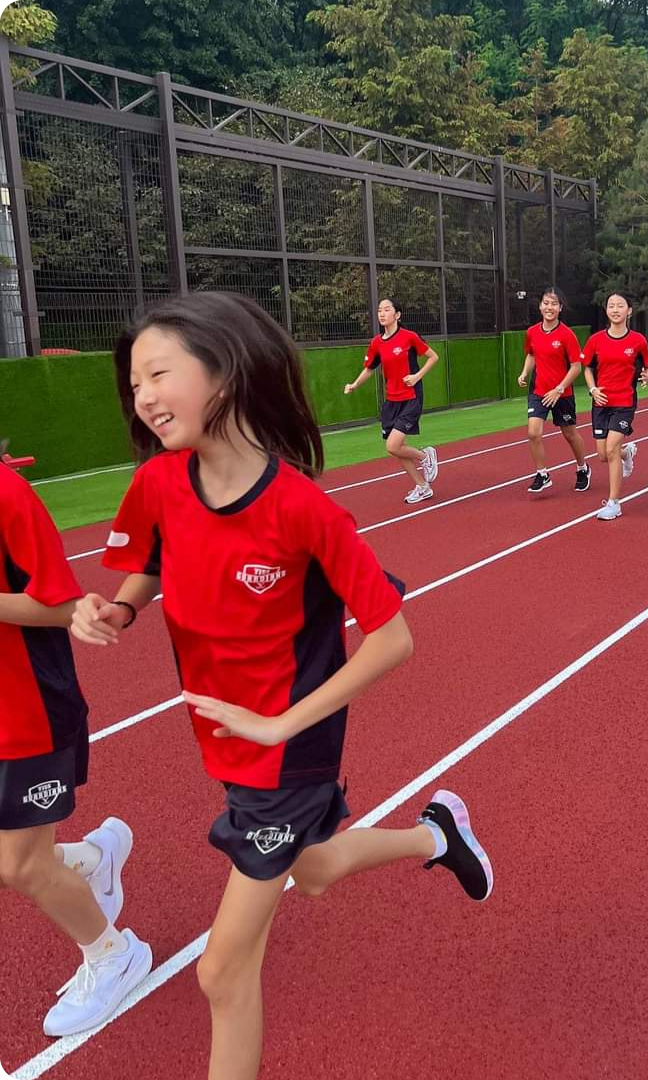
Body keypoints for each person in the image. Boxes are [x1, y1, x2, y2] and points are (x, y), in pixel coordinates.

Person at [73, 293, 493, 1080]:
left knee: (221, 973)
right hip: (227, 741)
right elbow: (153, 560)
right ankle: (438, 835)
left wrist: (281, 724)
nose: (144, 397)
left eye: (159, 374)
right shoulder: (159, 483)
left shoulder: (303, 511)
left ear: (225, 374)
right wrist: (120, 609)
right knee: (317, 870)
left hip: (287, 753)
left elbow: (393, 637)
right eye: (134, 384)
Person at [0, 458, 150, 1039]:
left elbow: (63, 605)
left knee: (20, 865)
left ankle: (114, 955)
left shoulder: (8, 495)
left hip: (27, 709)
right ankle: (93, 859)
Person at [344, 298, 440, 504]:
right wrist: (354, 385)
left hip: (411, 397)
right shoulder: (376, 343)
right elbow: (369, 368)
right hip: (391, 401)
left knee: (392, 445)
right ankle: (422, 487)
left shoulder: (409, 337)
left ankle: (425, 456)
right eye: (380, 310)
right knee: (397, 448)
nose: (382, 313)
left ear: (397, 315)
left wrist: (417, 376)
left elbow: (433, 357)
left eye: (387, 310)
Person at [581, 293, 648, 521]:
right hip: (601, 402)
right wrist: (593, 389)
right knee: (603, 454)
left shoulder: (638, 340)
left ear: (629, 310)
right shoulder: (596, 340)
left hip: (624, 402)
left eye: (620, 306)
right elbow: (587, 368)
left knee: (611, 448)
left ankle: (614, 503)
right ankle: (627, 453)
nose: (615, 309)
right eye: (611, 306)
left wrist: (647, 375)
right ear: (606, 310)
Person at [517, 285, 591, 492]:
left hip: (562, 393)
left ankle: (583, 468)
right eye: (546, 303)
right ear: (540, 306)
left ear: (560, 308)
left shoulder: (567, 335)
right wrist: (524, 373)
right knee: (533, 433)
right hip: (539, 391)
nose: (549, 307)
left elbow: (576, 367)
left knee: (570, 434)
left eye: (554, 304)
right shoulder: (532, 332)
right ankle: (542, 474)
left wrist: (559, 389)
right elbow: (531, 354)